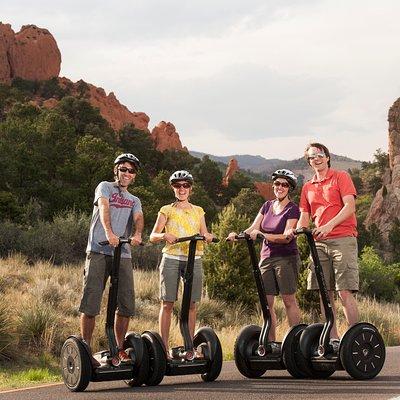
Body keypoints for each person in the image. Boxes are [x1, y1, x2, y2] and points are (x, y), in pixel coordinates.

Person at [79, 153, 144, 366]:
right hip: (99, 250)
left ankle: (118, 348)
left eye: (131, 171)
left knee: (126, 304)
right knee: (91, 303)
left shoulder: (134, 199)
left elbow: (138, 217)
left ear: (134, 176)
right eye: (123, 169)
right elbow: (104, 206)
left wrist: (138, 234)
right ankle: (86, 349)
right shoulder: (104, 187)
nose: (127, 173)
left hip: (122, 253)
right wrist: (108, 232)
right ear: (116, 170)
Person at [296, 142, 359, 350]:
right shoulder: (307, 187)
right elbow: (304, 215)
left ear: (327, 157)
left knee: (344, 291)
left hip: (343, 238)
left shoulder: (341, 177)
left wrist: (329, 225)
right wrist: (296, 231)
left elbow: (350, 206)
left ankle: (354, 340)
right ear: (309, 161)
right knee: (325, 292)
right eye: (312, 156)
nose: (317, 158)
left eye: (320, 154)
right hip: (319, 243)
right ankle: (333, 339)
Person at [227, 169, 302, 343]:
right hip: (266, 258)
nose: (280, 187)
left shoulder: (293, 209)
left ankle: (296, 341)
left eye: (284, 184)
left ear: (289, 188)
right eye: (277, 183)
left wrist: (263, 235)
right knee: (266, 303)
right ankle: (270, 343)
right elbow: (253, 228)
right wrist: (236, 236)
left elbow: (286, 237)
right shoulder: (267, 206)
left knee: (288, 300)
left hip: (286, 258)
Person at [149, 170, 213, 355]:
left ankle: (189, 347)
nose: (181, 189)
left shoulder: (198, 210)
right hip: (171, 258)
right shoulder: (166, 210)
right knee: (167, 303)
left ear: (190, 188)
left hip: (194, 259)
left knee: (192, 304)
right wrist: (163, 235)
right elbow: (153, 236)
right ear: (173, 188)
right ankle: (163, 348)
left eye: (185, 185)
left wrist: (208, 236)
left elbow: (204, 232)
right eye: (177, 185)